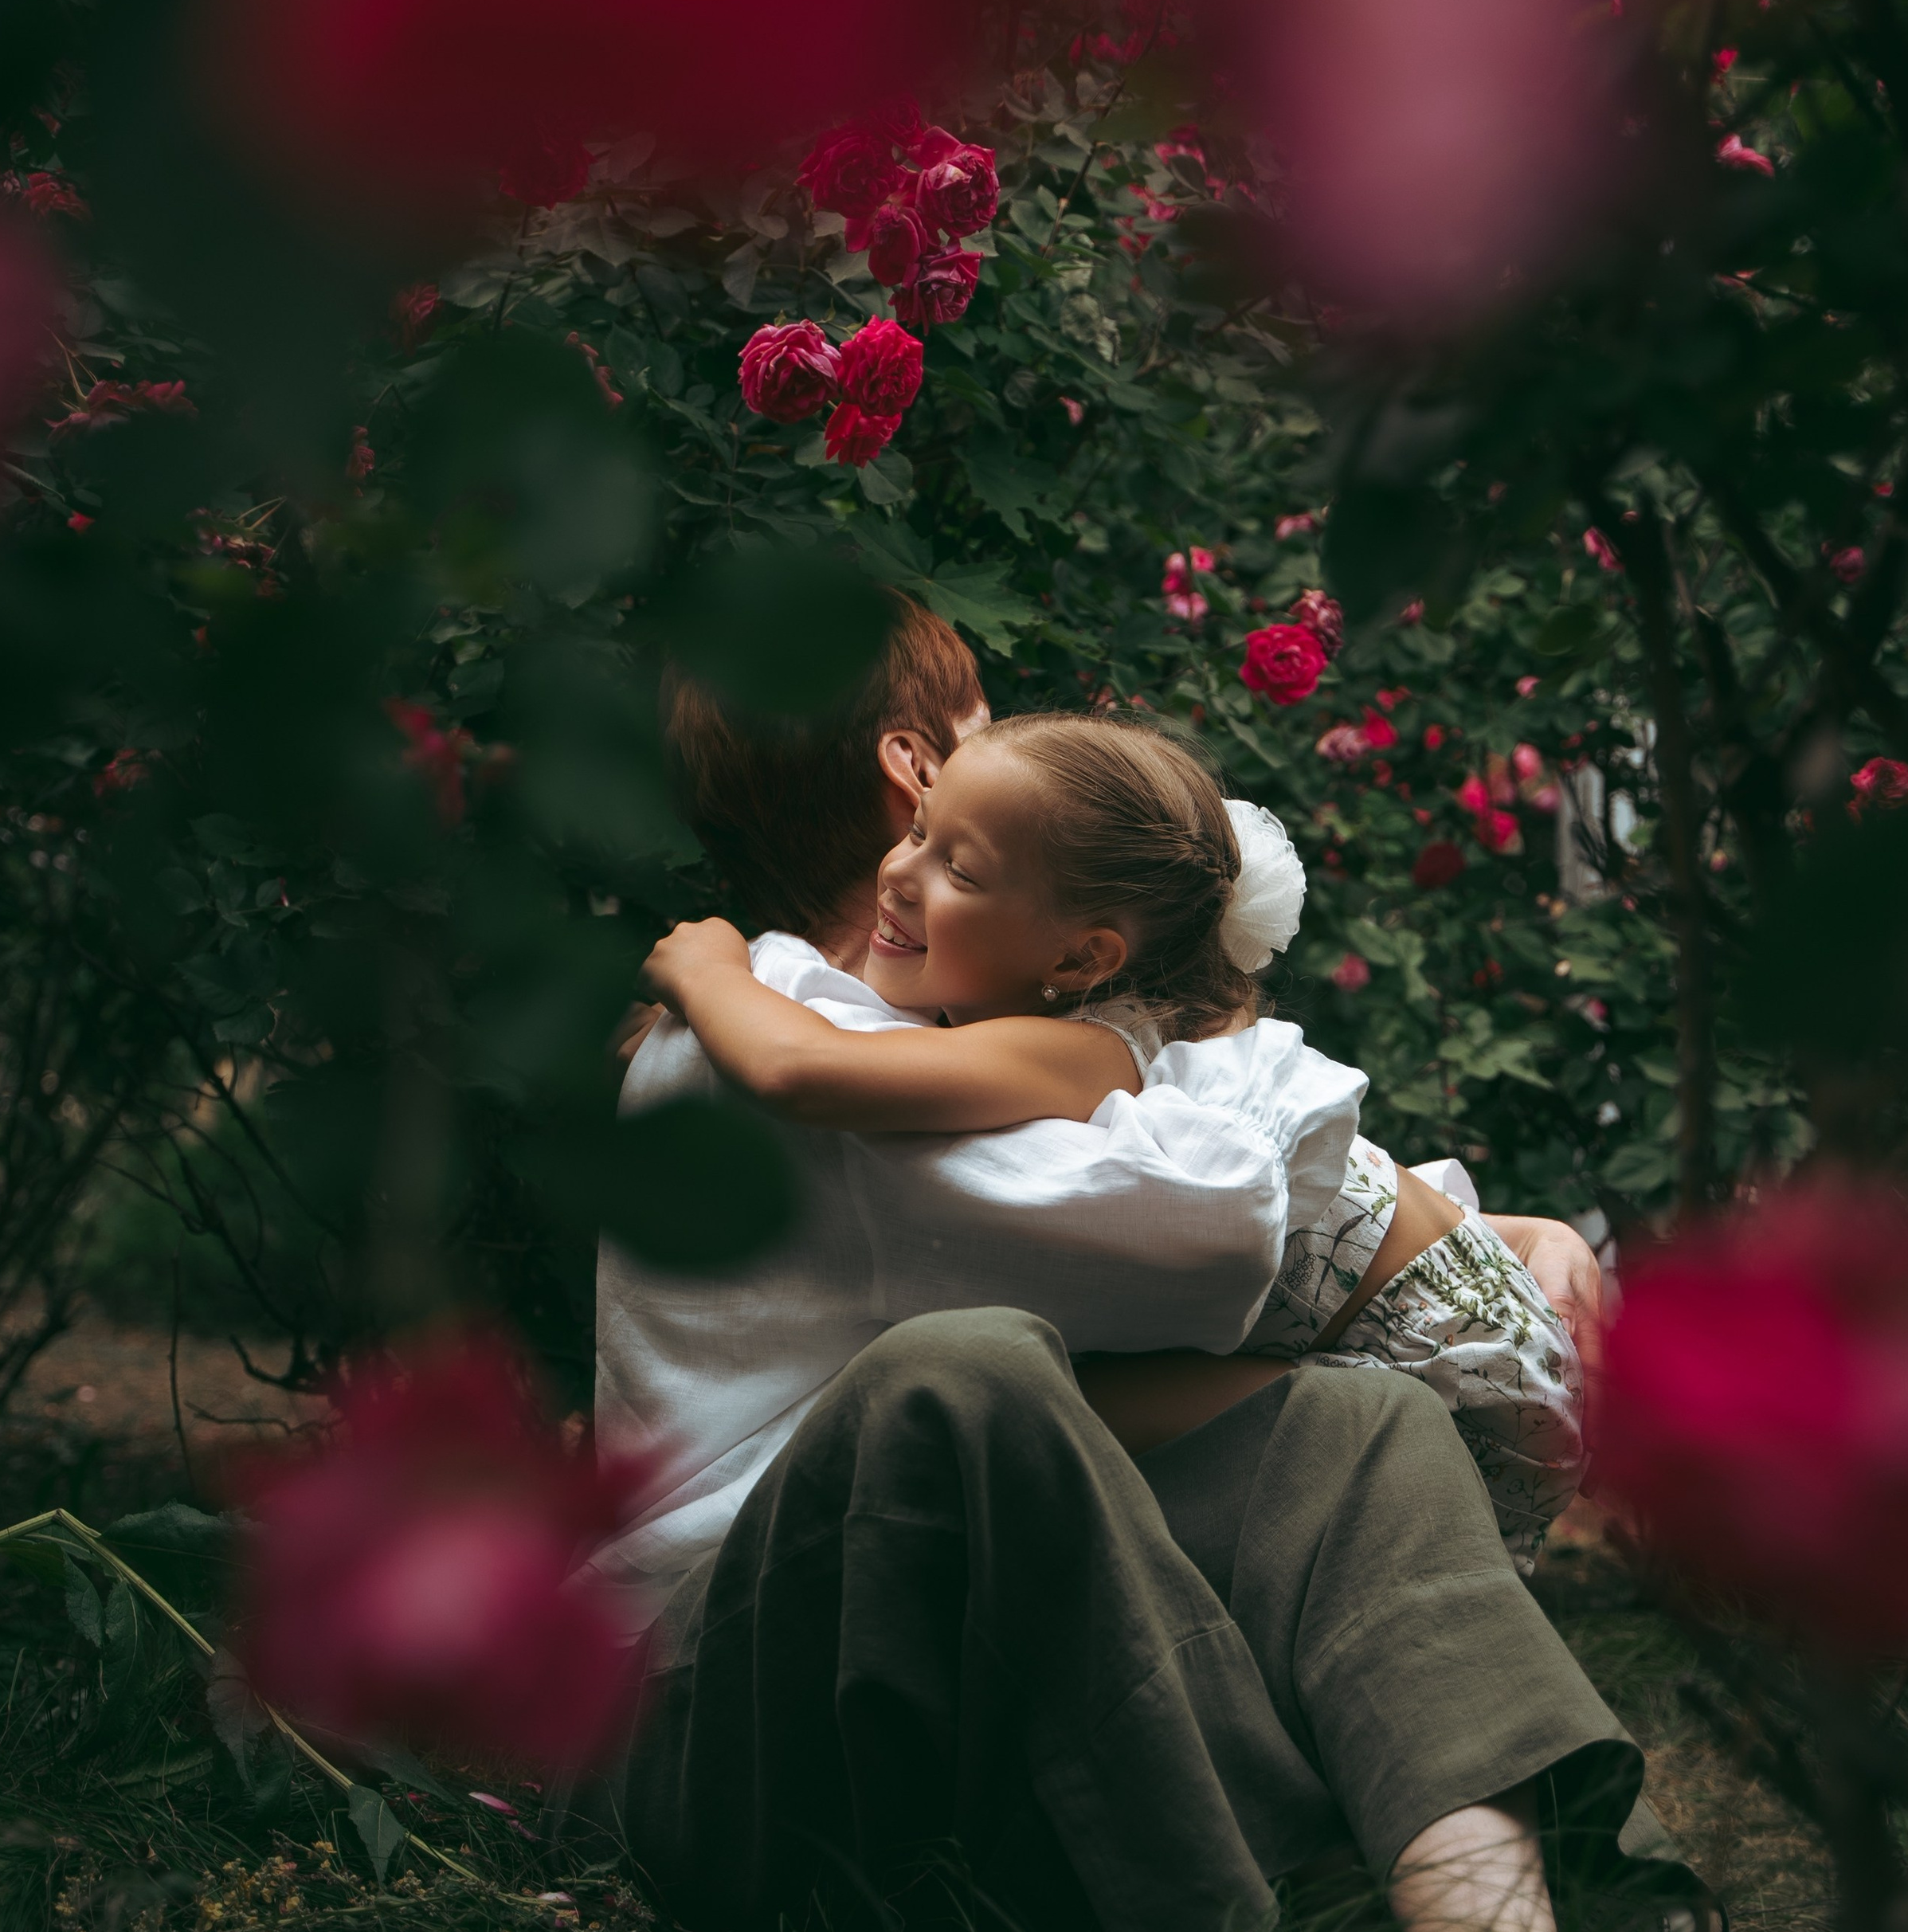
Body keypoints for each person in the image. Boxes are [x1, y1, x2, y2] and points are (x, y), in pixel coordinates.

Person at [584, 598, 1706, 1930]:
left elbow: (1214, 1203)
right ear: (916, 767)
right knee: (976, 1378)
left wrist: (1482, 1229)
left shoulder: (924, 1038)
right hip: (724, 1708)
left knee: (1352, 1426)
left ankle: (1537, 1891)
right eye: (988, 724)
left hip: (913, 1641)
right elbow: (1211, 1229)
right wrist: (1454, 1233)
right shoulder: (783, 1039)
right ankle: (1298, 1890)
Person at [641, 711, 1583, 1569]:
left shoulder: (1078, 1048)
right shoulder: (1122, 1029)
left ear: (1081, 958)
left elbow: (801, 1074)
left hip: (1455, 1384)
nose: (899, 872)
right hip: (1471, 1323)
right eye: (920, 830)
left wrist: (709, 967)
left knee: (1024, 1415)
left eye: (958, 871)